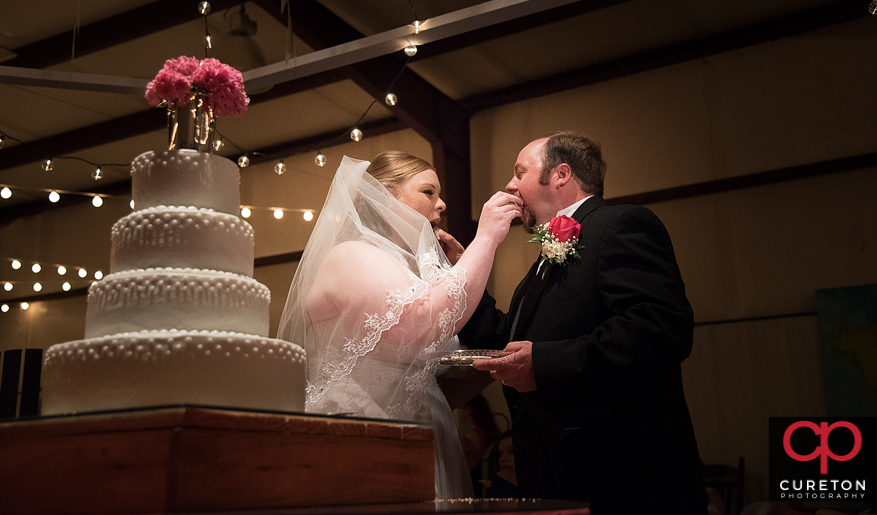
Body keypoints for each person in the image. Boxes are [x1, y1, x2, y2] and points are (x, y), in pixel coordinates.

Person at [458, 132, 707, 514]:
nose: (509, 185)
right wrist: (463, 280)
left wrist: (544, 365)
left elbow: (660, 328)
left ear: (560, 174)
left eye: (519, 172)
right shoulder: (539, 267)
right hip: (557, 476)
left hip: (622, 481)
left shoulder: (620, 224)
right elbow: (510, 340)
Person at [277, 151, 521, 499]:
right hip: (368, 435)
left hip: (427, 433)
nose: (442, 204)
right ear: (386, 196)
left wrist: (492, 365)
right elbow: (421, 324)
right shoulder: (352, 255)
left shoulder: (405, 271)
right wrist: (486, 240)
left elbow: (427, 382)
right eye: (428, 192)